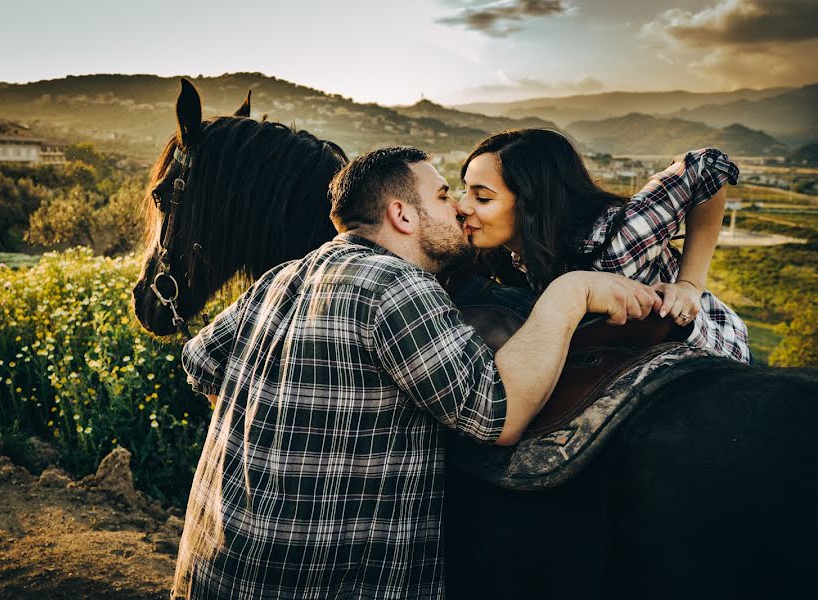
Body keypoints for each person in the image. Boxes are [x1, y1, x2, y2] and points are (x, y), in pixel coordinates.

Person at [173, 147, 661, 599]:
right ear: (402, 215)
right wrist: (570, 294)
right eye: (444, 195)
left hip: (218, 570)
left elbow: (200, 363)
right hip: (320, 584)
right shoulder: (398, 284)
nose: (457, 209)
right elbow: (498, 415)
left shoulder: (284, 275)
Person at [457, 129, 751, 364]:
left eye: (482, 198)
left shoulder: (615, 241)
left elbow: (704, 166)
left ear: (534, 202)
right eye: (464, 190)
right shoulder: (512, 252)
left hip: (711, 355)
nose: (463, 206)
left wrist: (689, 285)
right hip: (626, 363)